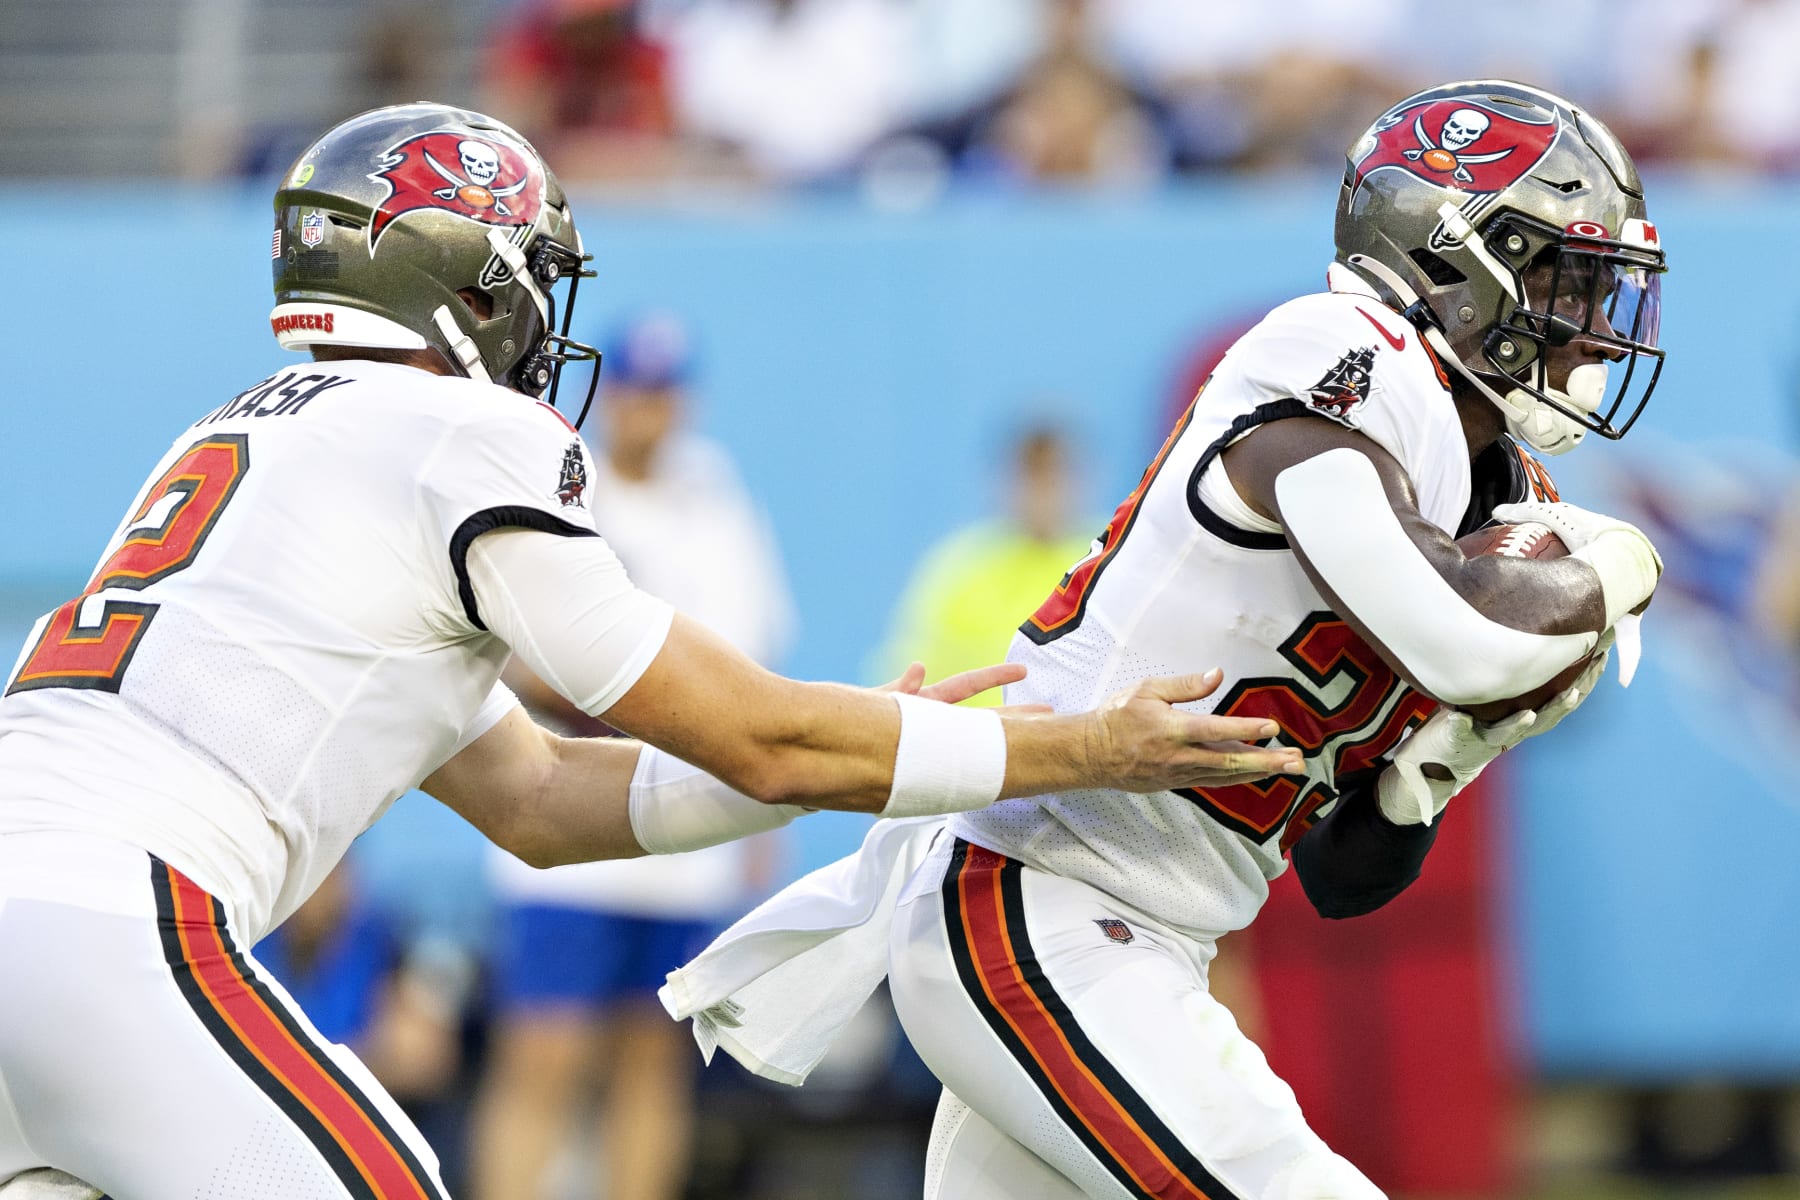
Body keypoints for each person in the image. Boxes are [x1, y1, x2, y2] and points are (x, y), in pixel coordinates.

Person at [0, 102, 1300, 1200]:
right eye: (528, 282)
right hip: (120, 916)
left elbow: (544, 798)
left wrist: (876, 748)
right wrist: (1065, 749)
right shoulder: (457, 436)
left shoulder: (257, 435)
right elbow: (759, 737)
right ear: (464, 282)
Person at [662, 79, 1667, 1198]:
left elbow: (1346, 877)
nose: (1587, 325)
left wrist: (1430, 772)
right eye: (1563, 277)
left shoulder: (1491, 493)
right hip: (1039, 909)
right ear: (1449, 256)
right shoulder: (1344, 350)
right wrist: (1617, 570)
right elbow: (1470, 645)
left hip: (1144, 943)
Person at [471, 311, 795, 1200]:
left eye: (666, 392)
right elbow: (518, 652)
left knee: (654, 1054)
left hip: (686, 817)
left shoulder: (715, 496)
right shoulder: (565, 484)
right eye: (639, 391)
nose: (651, 411)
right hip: (570, 806)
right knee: (545, 1049)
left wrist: (759, 804)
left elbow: (752, 649)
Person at [871, 422, 1092, 701]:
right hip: (972, 739)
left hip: (1072, 738)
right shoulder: (961, 568)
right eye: (1032, 476)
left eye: (1053, 477)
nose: (1043, 495)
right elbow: (906, 671)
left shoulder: (1102, 559)